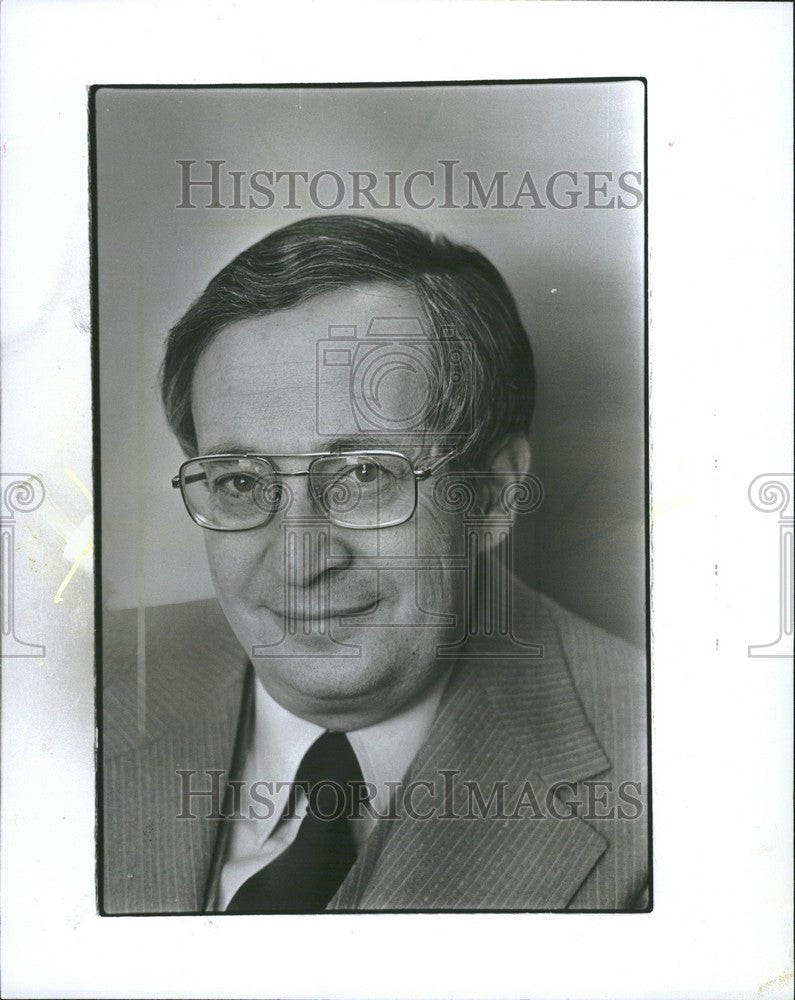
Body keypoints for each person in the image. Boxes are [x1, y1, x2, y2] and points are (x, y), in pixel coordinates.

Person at [102, 215, 648, 913]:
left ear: (489, 495)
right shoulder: (69, 694)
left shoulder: (672, 779)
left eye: (362, 474)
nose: (299, 561)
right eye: (240, 481)